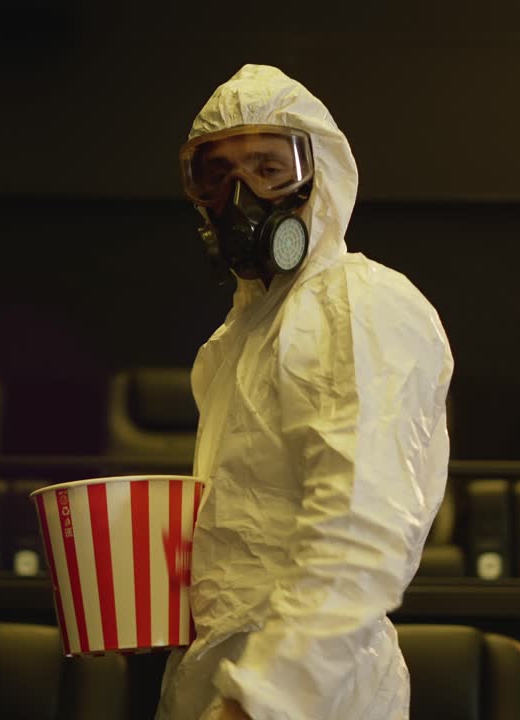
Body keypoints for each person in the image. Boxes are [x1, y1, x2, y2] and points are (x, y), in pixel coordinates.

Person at [156, 64, 454, 720]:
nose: (243, 196)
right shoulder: (242, 335)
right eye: (219, 174)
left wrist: (263, 698)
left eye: (268, 168)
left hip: (307, 695)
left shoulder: (359, 306)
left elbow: (361, 530)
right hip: (223, 677)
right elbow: (251, 537)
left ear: (320, 179)